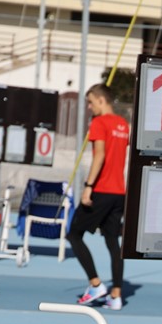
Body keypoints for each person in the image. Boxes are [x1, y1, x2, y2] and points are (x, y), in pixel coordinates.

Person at [67, 84, 129, 310]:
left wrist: (88, 186)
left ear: (102, 100)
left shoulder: (99, 123)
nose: (89, 107)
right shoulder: (123, 124)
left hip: (102, 190)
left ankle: (95, 284)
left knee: (74, 234)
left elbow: (100, 155)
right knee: (113, 241)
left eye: (91, 102)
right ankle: (116, 295)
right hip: (118, 193)